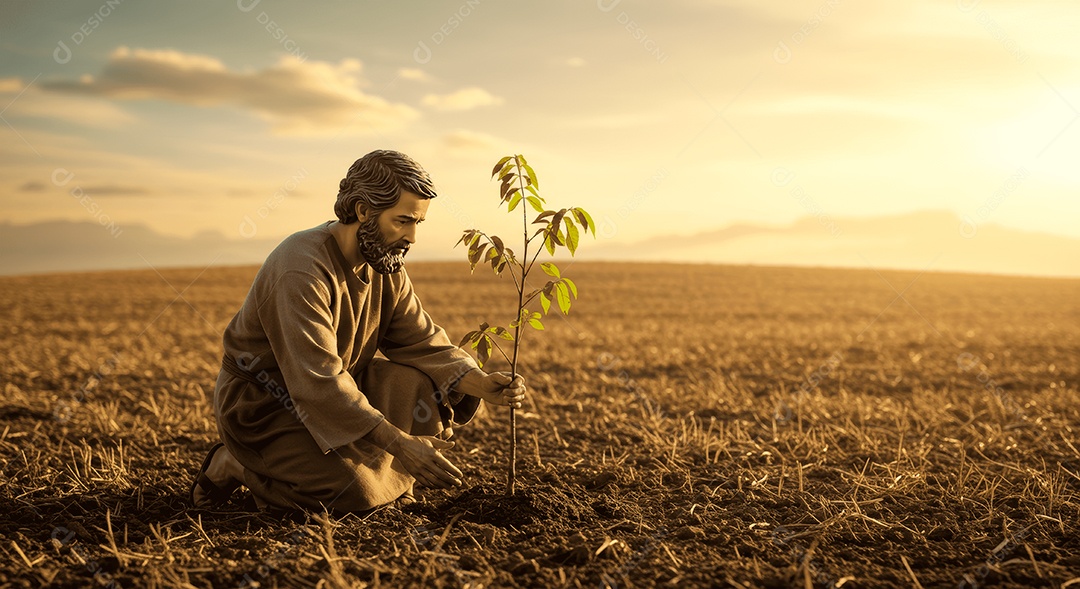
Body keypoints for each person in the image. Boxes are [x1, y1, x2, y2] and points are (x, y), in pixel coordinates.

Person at [189, 150, 526, 513]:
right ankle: (235, 464)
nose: (412, 236)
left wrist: (480, 383)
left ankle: (382, 482)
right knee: (351, 496)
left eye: (418, 223)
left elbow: (421, 341)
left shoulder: (385, 263)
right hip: (269, 406)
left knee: (419, 386)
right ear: (363, 211)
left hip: (338, 394)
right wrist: (398, 443)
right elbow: (317, 381)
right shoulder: (300, 268)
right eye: (402, 221)